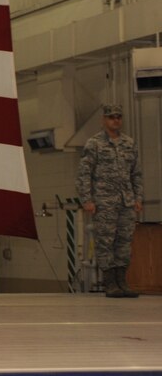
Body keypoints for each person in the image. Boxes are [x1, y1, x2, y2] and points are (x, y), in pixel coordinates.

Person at [77, 104, 143, 298]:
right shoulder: (94, 144)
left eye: (118, 117)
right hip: (104, 201)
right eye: (112, 117)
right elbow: (84, 174)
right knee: (105, 241)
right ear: (104, 120)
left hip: (126, 202)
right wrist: (87, 199)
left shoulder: (129, 143)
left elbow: (136, 174)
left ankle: (122, 281)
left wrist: (138, 198)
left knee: (124, 241)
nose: (116, 120)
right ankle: (110, 282)